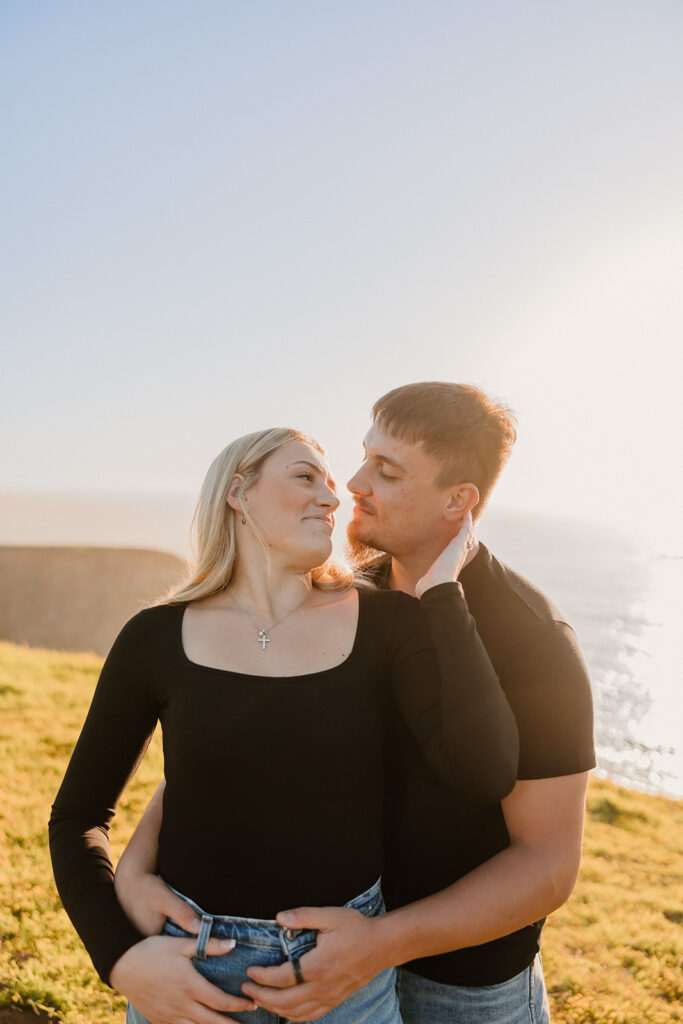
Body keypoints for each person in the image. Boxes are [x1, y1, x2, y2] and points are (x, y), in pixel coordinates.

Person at [117, 383, 594, 1024]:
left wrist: (380, 945)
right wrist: (136, 870)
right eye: (365, 456)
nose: (353, 483)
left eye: (387, 472)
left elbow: (547, 866)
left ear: (459, 501)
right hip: (317, 957)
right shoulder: (340, 599)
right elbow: (235, 741)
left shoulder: (533, 639)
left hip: (459, 984)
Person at [49, 425, 519, 1024]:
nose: (331, 497)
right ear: (237, 493)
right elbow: (77, 818)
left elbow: (486, 769)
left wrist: (444, 592)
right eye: (304, 477)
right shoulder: (153, 638)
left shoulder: (389, 624)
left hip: (343, 979)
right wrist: (119, 957)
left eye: (330, 485)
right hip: (191, 973)